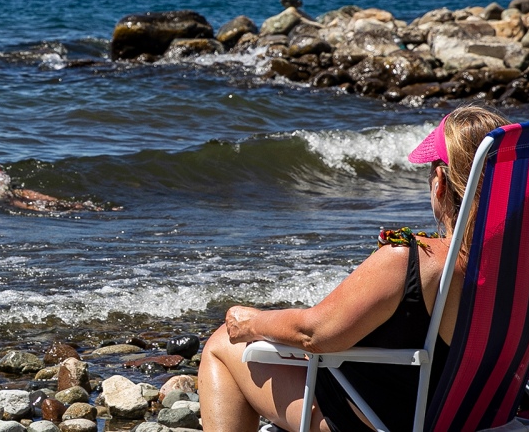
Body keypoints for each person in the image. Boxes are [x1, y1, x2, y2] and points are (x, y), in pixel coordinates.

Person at [197, 104, 511, 432]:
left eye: (432, 168)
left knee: (222, 344)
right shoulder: (525, 265)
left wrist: (252, 322)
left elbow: (313, 334)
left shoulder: (414, 260)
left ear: (441, 182)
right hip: (486, 414)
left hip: (390, 421)